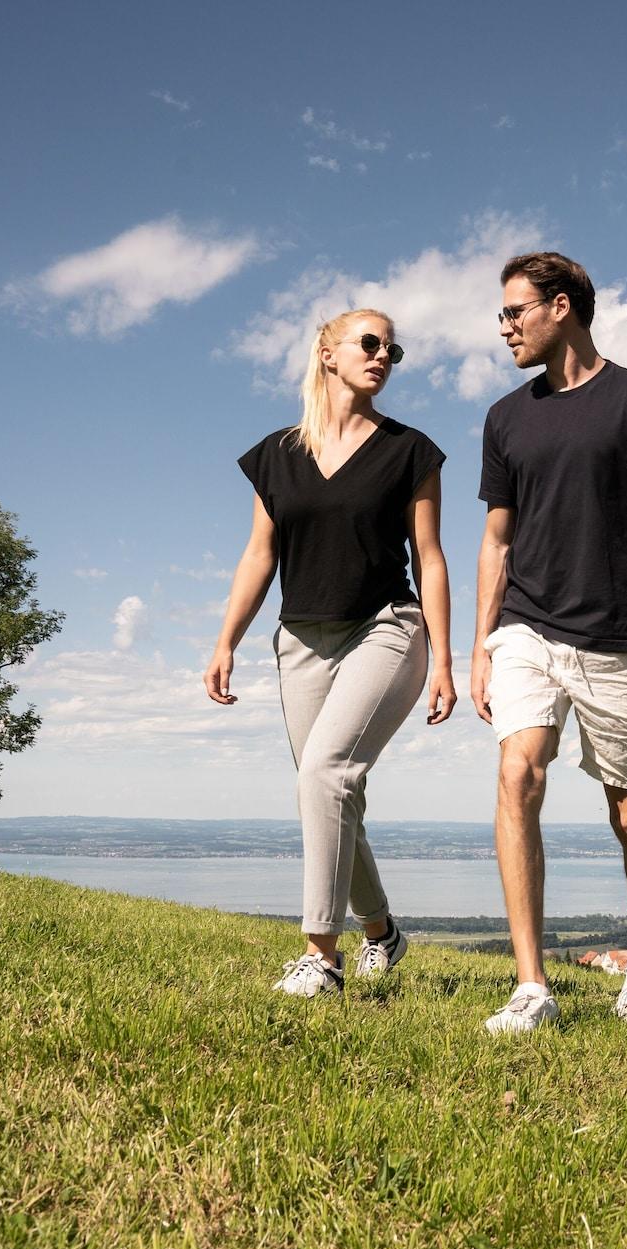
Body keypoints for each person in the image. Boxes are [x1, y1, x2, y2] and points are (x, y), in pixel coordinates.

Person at [471, 252, 627, 1033]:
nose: (504, 327)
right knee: (517, 773)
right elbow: (496, 539)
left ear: (559, 307)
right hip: (526, 629)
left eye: (514, 311)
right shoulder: (506, 417)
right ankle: (532, 987)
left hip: (620, 639)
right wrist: (480, 644)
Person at [207, 308, 455, 997]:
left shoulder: (411, 451)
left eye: (393, 350)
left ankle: (322, 957)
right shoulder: (277, 454)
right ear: (327, 354)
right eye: (370, 343)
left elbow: (429, 559)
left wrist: (444, 660)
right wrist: (226, 639)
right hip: (300, 641)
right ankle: (384, 933)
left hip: (387, 626)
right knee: (331, 791)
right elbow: (260, 555)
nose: (383, 356)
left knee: (323, 776)